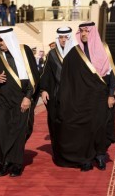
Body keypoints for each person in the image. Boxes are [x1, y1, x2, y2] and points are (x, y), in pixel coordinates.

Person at [0, 27, 39, 177]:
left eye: (1, 40)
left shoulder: (24, 51)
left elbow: (34, 76)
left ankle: (16, 164)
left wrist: (28, 97)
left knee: (18, 132)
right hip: (2, 100)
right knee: (0, 129)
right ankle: (4, 162)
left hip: (21, 99)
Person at [55, 22, 111, 172]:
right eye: (81, 31)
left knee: (99, 127)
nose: (84, 34)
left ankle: (99, 156)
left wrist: (111, 94)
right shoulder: (74, 53)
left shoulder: (103, 51)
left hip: (99, 98)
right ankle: (85, 159)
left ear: (92, 32)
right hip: (80, 99)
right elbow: (67, 78)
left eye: (86, 31)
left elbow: (110, 76)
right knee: (83, 129)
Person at [40, 27, 76, 163]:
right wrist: (43, 89)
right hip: (56, 96)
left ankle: (72, 154)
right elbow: (46, 74)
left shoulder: (76, 52)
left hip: (73, 96)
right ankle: (59, 155)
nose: (63, 40)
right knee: (55, 125)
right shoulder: (52, 54)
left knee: (71, 126)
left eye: (66, 37)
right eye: (61, 37)